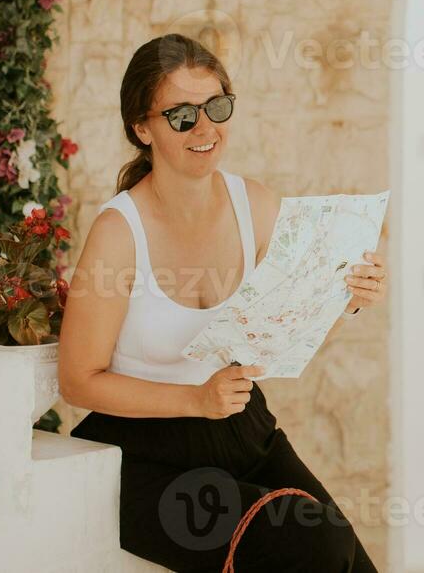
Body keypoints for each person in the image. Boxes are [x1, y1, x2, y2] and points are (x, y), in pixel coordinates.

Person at [58, 33, 387, 572]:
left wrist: (347, 296)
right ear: (142, 128)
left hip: (243, 430)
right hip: (144, 455)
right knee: (314, 548)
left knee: (350, 560)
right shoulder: (120, 233)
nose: (206, 128)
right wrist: (195, 402)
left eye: (216, 106)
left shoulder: (253, 204)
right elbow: (78, 381)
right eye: (182, 115)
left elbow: (287, 322)